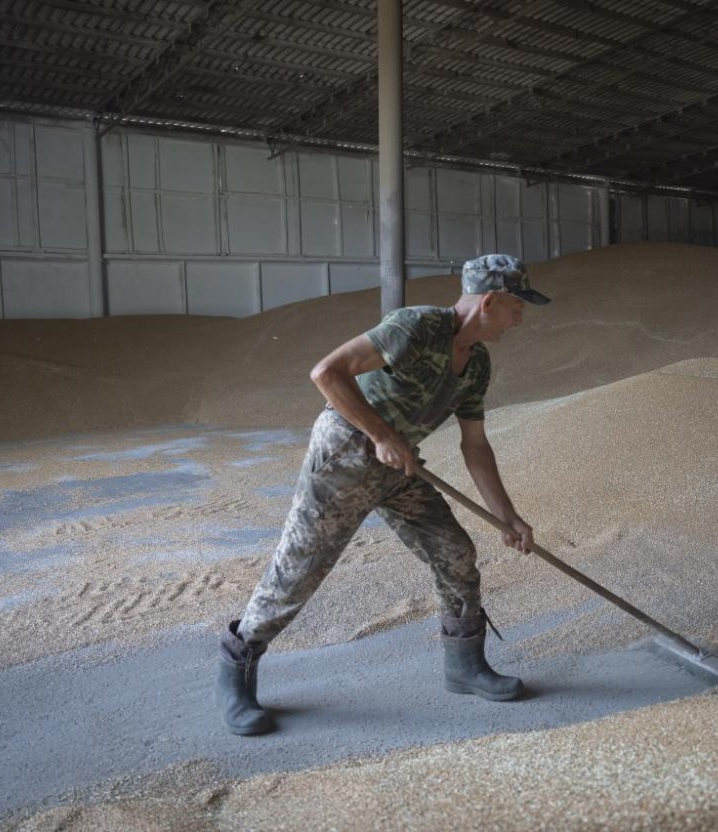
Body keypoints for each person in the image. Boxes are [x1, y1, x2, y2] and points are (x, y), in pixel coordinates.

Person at [216, 253, 551, 735]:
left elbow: (475, 445)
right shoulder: (415, 326)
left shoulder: (476, 364)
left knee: (455, 553)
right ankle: (235, 671)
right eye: (517, 308)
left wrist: (508, 517)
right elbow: (327, 373)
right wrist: (381, 435)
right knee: (298, 572)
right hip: (345, 457)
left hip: (400, 466)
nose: (520, 319)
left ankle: (465, 666)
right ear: (491, 301)